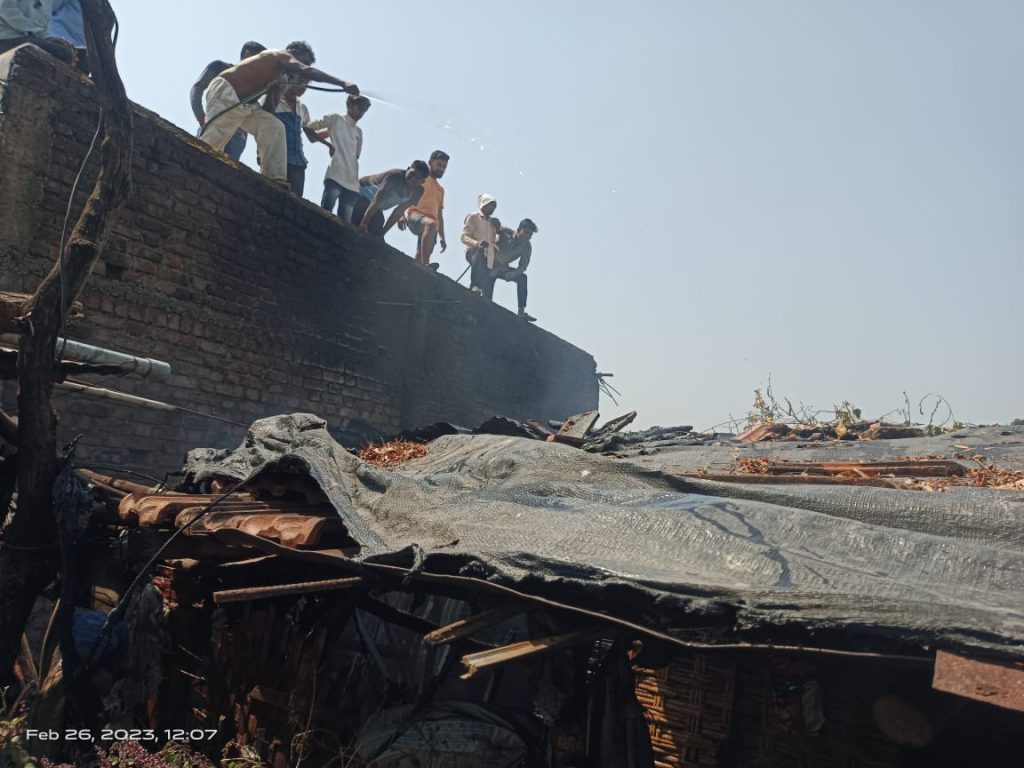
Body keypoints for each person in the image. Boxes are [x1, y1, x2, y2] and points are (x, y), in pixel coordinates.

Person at [200, 48, 358, 184]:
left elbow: (267, 111)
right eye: (302, 63)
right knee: (214, 140)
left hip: (248, 106)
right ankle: (195, 160)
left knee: (273, 127)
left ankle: (274, 179)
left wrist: (275, 91)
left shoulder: (282, 77)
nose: (301, 70)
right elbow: (305, 70)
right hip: (226, 91)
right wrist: (342, 83)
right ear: (292, 54)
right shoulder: (278, 55)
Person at [190, 41, 265, 162]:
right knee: (200, 161)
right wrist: (201, 117)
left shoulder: (256, 86)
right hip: (215, 125)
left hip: (238, 136)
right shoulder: (220, 67)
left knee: (226, 170)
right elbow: (197, 88)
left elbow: (260, 115)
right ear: (248, 54)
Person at [308, 94, 371, 220]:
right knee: (324, 215)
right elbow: (309, 128)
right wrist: (328, 144)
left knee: (344, 223)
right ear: (350, 105)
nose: (361, 113)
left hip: (352, 182)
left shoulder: (358, 132)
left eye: (364, 110)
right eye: (359, 108)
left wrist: (331, 133)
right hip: (335, 175)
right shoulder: (336, 119)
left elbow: (356, 156)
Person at [398, 150, 449, 267]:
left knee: (420, 256)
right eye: (439, 165)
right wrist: (400, 215)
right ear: (430, 163)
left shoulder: (440, 190)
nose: (441, 169)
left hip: (431, 226)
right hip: (415, 216)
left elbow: (439, 216)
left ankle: (416, 271)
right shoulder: (421, 179)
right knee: (430, 224)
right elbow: (404, 195)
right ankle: (426, 265)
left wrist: (442, 237)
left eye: (444, 167)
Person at [353, 161, 429, 237]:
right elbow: (376, 201)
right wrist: (363, 224)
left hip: (375, 208)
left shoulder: (418, 192)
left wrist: (382, 234)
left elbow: (398, 212)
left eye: (417, 178)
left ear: (422, 181)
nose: (413, 179)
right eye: (412, 174)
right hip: (358, 195)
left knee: (378, 225)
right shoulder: (394, 177)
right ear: (408, 169)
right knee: (362, 221)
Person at [490, 218, 539, 321]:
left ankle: (521, 312)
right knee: (486, 298)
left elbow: (523, 266)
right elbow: (495, 227)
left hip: (503, 269)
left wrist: (514, 274)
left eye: (530, 234)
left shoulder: (527, 247)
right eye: (526, 232)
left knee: (523, 278)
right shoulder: (506, 232)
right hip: (489, 265)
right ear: (519, 230)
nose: (527, 236)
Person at [0, 0, 75, 64]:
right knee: (62, 53)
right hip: (7, 39)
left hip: (27, 38)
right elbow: (4, 7)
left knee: (66, 51)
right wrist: (31, 29)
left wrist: (49, 38)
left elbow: (42, 25)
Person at [461, 194, 499, 294]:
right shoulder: (473, 217)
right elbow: (464, 237)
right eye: (490, 205)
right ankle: (474, 285)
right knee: (479, 253)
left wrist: (495, 248)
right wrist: (477, 243)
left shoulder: (493, 222)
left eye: (494, 207)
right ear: (483, 204)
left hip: (489, 256)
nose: (492, 208)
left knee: (485, 285)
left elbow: (493, 240)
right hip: (474, 252)